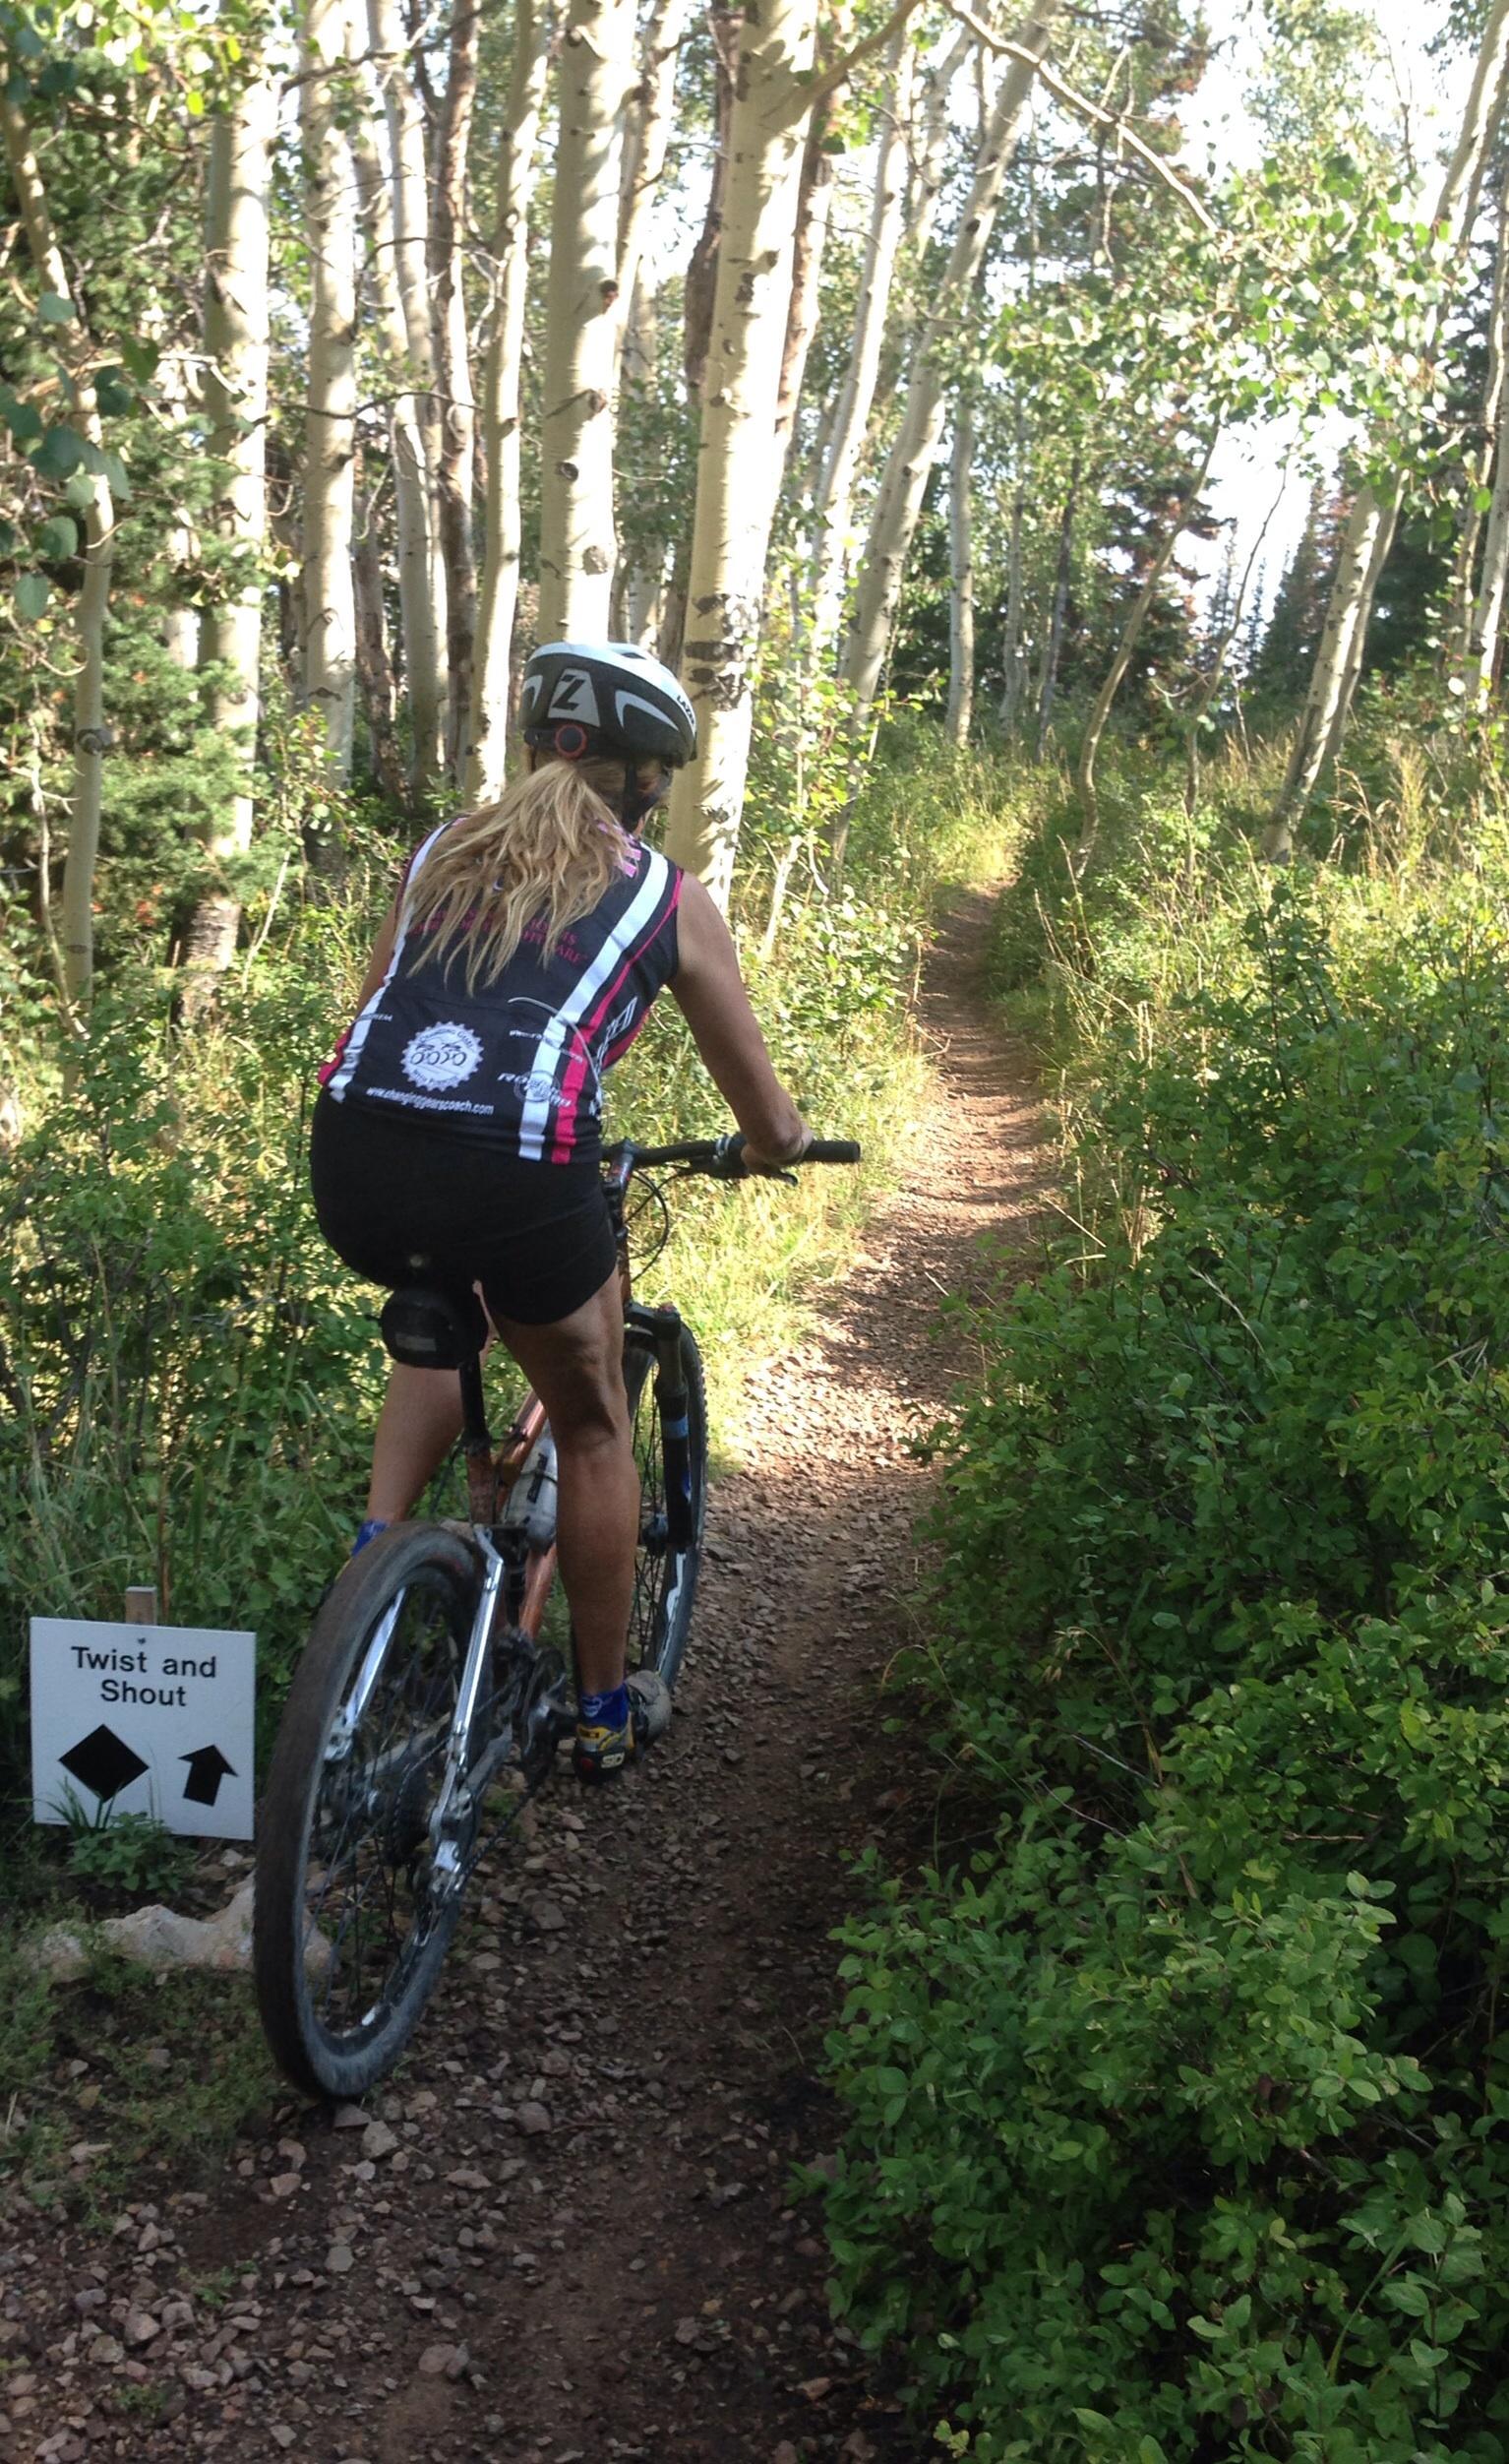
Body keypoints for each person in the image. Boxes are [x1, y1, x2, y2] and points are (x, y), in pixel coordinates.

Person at [311, 641, 809, 1782]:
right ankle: (597, 1709)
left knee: (438, 1291)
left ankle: (373, 1559)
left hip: (353, 1154)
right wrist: (774, 1147)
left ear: (537, 743)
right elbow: (768, 1118)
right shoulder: (666, 896)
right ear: (643, 777)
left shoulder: (440, 848)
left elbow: (376, 1003)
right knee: (589, 1425)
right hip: (519, 1172)